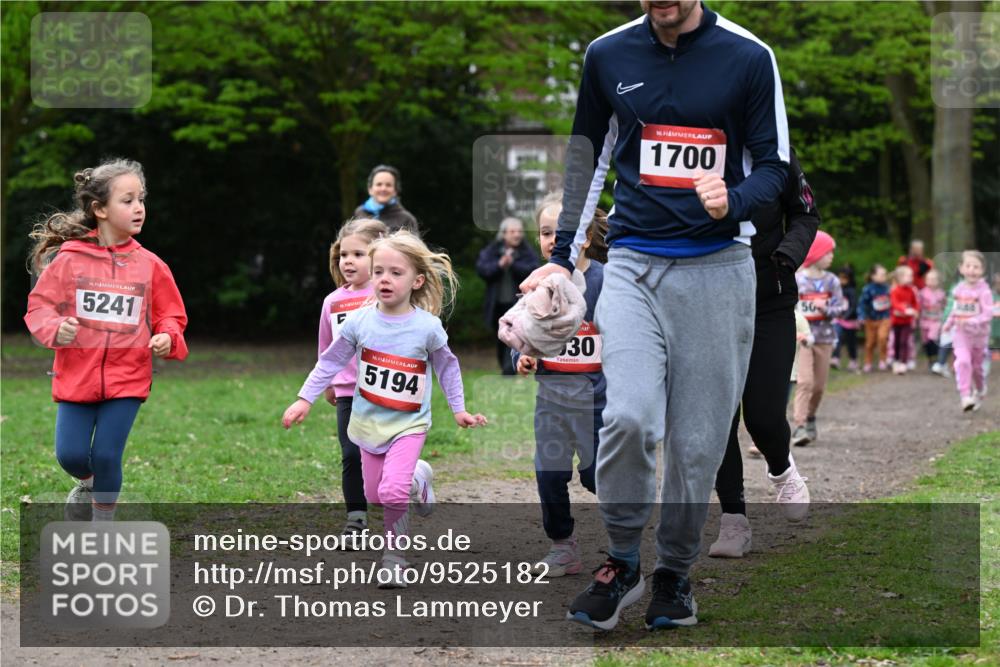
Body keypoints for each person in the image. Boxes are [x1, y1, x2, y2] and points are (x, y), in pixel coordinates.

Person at [521, 0, 790, 631]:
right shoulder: (607, 54)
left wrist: (735, 198)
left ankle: (673, 574)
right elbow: (585, 158)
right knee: (630, 416)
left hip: (719, 269)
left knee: (697, 445)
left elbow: (775, 167)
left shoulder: (749, 56)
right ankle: (619, 562)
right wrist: (562, 258)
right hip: (635, 265)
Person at [282, 230, 487, 586]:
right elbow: (329, 362)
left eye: (395, 272)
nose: (384, 279)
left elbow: (447, 366)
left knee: (392, 492)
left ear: (417, 280)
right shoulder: (360, 321)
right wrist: (305, 398)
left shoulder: (427, 327)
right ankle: (420, 479)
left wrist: (459, 409)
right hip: (367, 424)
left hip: (409, 425)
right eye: (378, 271)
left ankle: (394, 558)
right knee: (377, 495)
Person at [24, 159, 188, 522]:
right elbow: (40, 308)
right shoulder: (69, 260)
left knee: (108, 456)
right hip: (75, 375)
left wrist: (167, 335)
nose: (139, 208)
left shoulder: (151, 265)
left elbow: (171, 315)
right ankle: (92, 484)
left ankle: (102, 525)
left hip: (128, 377)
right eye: (127, 200)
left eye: (141, 199)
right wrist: (55, 328)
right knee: (70, 455)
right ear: (99, 209)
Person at [708, 147, 819, 558]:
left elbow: (807, 215)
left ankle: (781, 468)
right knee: (719, 416)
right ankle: (733, 521)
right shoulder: (701, 147)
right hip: (709, 299)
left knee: (764, 414)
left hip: (769, 299)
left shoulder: (781, 155)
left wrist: (786, 257)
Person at [513, 193, 608, 577]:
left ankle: (625, 529)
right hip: (551, 399)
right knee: (549, 473)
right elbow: (518, 333)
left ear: (584, 237)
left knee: (595, 474)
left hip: (597, 401)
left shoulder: (605, 279)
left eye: (562, 231)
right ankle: (562, 546)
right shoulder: (537, 285)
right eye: (546, 232)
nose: (553, 239)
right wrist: (522, 356)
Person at [318, 218, 389, 543]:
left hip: (385, 389)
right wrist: (328, 382)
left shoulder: (385, 295)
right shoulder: (332, 302)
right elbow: (326, 346)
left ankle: (403, 496)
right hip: (349, 393)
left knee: (384, 454)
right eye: (344, 255)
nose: (348, 261)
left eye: (358, 254)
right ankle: (356, 519)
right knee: (350, 454)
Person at [792, 231, 846, 446]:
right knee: (805, 381)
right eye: (828, 252)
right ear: (815, 253)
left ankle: (811, 416)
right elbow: (788, 307)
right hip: (802, 338)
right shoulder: (796, 279)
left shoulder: (832, 281)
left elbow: (842, 307)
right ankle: (799, 426)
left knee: (819, 386)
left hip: (824, 337)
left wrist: (828, 308)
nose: (831, 257)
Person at [476, 217, 539, 375]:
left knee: (513, 334)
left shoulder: (526, 250)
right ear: (503, 234)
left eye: (519, 231)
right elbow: (482, 269)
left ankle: (509, 369)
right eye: (512, 231)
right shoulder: (493, 250)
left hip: (517, 302)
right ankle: (505, 366)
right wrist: (500, 265)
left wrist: (513, 264)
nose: (517, 235)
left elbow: (533, 269)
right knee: (500, 336)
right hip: (496, 303)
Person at [942, 250, 993, 411]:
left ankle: (980, 388)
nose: (972, 270)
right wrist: (949, 323)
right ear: (961, 268)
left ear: (982, 270)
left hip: (979, 335)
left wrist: (971, 320)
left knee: (977, 368)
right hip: (961, 334)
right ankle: (965, 395)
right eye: (968, 266)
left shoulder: (984, 291)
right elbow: (955, 309)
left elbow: (988, 313)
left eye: (976, 267)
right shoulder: (958, 289)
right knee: (962, 361)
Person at [353, 165, 419, 233]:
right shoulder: (359, 212)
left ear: (395, 191)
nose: (383, 189)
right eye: (379, 184)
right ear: (370, 189)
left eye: (388, 185)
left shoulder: (407, 219)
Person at [858, 264, 892, 372]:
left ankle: (883, 360)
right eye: (881, 275)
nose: (884, 277)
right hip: (870, 319)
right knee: (870, 343)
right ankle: (868, 362)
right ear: (873, 276)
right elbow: (862, 304)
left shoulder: (888, 288)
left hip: (885, 318)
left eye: (885, 275)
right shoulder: (867, 289)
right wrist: (861, 316)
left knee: (882, 338)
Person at [889, 265, 919, 375]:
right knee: (896, 342)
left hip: (907, 322)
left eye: (911, 275)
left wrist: (915, 311)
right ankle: (896, 361)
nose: (911, 277)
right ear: (900, 277)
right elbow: (894, 303)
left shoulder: (911, 290)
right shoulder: (895, 290)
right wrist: (905, 310)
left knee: (904, 342)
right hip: (896, 322)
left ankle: (903, 362)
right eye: (908, 275)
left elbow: (915, 303)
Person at [832, 265, 859, 372]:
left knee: (851, 341)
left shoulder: (851, 291)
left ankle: (853, 360)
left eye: (844, 278)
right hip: (838, 319)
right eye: (840, 277)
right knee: (837, 338)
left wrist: (846, 316)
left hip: (850, 321)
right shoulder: (836, 290)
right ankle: (835, 358)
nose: (841, 280)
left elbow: (853, 306)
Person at [918, 269, 946, 372]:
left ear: (938, 281)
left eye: (934, 279)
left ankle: (936, 361)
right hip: (924, 320)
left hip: (936, 320)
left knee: (932, 338)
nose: (931, 281)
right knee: (926, 341)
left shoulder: (941, 294)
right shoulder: (922, 293)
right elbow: (918, 306)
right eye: (929, 279)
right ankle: (931, 360)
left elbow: (945, 306)